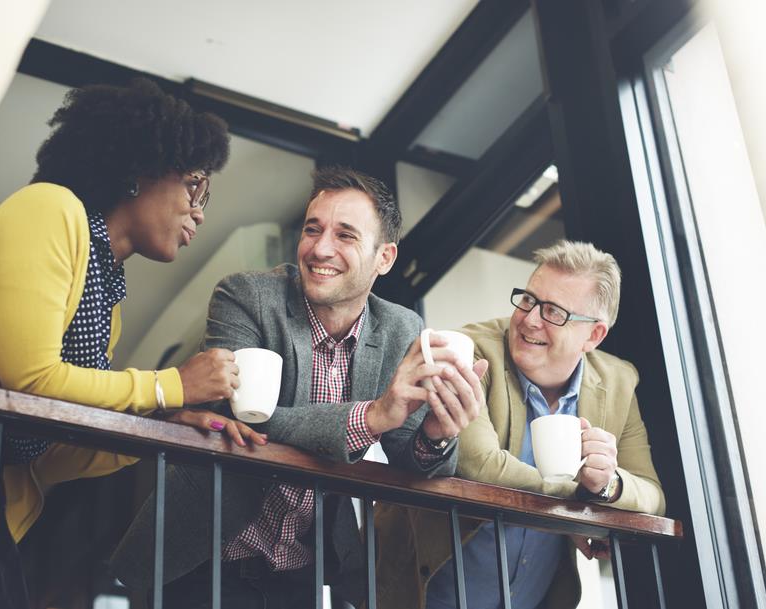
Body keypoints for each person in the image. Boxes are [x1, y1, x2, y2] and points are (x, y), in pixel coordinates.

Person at [0, 78, 267, 609]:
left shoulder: (106, 288)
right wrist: (169, 385)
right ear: (141, 170)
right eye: (195, 185)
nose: (199, 210)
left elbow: (47, 446)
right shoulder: (49, 209)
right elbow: (32, 379)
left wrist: (155, 426)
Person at [110, 166, 488, 608]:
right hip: (204, 556)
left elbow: (414, 457)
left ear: (384, 258)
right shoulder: (246, 296)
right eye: (313, 229)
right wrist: (372, 417)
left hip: (305, 573)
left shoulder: (402, 327)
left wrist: (438, 436)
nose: (321, 248)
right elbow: (239, 419)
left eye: (345, 235)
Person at [374, 240, 665, 609]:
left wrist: (608, 484)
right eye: (528, 299)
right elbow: (479, 466)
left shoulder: (619, 382)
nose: (529, 319)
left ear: (594, 335)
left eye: (553, 312)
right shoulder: (471, 349)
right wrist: (581, 507)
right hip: (425, 592)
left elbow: (651, 494)